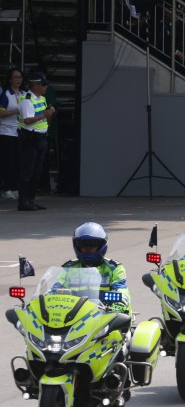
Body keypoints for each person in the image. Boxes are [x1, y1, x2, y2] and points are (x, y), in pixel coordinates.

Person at [60, 222, 130, 313]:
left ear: (101, 246)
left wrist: (121, 301)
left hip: (105, 314)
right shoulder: (68, 268)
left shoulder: (114, 268)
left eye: (92, 244)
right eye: (83, 244)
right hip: (74, 314)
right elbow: (56, 287)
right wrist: (44, 296)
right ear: (77, 246)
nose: (87, 248)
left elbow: (121, 288)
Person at [17, 71, 55, 212]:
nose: (45, 87)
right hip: (30, 138)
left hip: (41, 138)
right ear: (35, 85)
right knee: (27, 172)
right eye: (43, 84)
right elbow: (27, 121)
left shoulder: (42, 99)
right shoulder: (27, 99)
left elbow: (47, 121)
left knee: (37, 172)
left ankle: (31, 200)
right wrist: (44, 114)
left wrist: (50, 114)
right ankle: (23, 202)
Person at [0, 68, 22, 199]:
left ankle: (15, 187)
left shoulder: (24, 94)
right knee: (8, 162)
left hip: (19, 132)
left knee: (18, 162)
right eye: (15, 77)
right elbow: (1, 112)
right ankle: (7, 188)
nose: (18, 79)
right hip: (6, 131)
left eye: (20, 77)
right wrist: (15, 111)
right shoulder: (6, 94)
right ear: (10, 80)